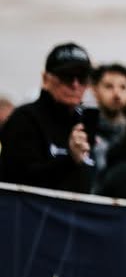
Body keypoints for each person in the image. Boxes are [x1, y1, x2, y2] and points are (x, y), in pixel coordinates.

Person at [0, 42, 96, 193]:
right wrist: (70, 160)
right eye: (67, 77)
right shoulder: (24, 119)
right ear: (46, 79)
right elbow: (19, 183)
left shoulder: (83, 121)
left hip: (78, 215)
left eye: (82, 77)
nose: (75, 85)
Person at [89, 63, 126, 185]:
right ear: (94, 90)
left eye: (123, 87)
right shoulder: (85, 129)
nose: (117, 94)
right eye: (109, 87)